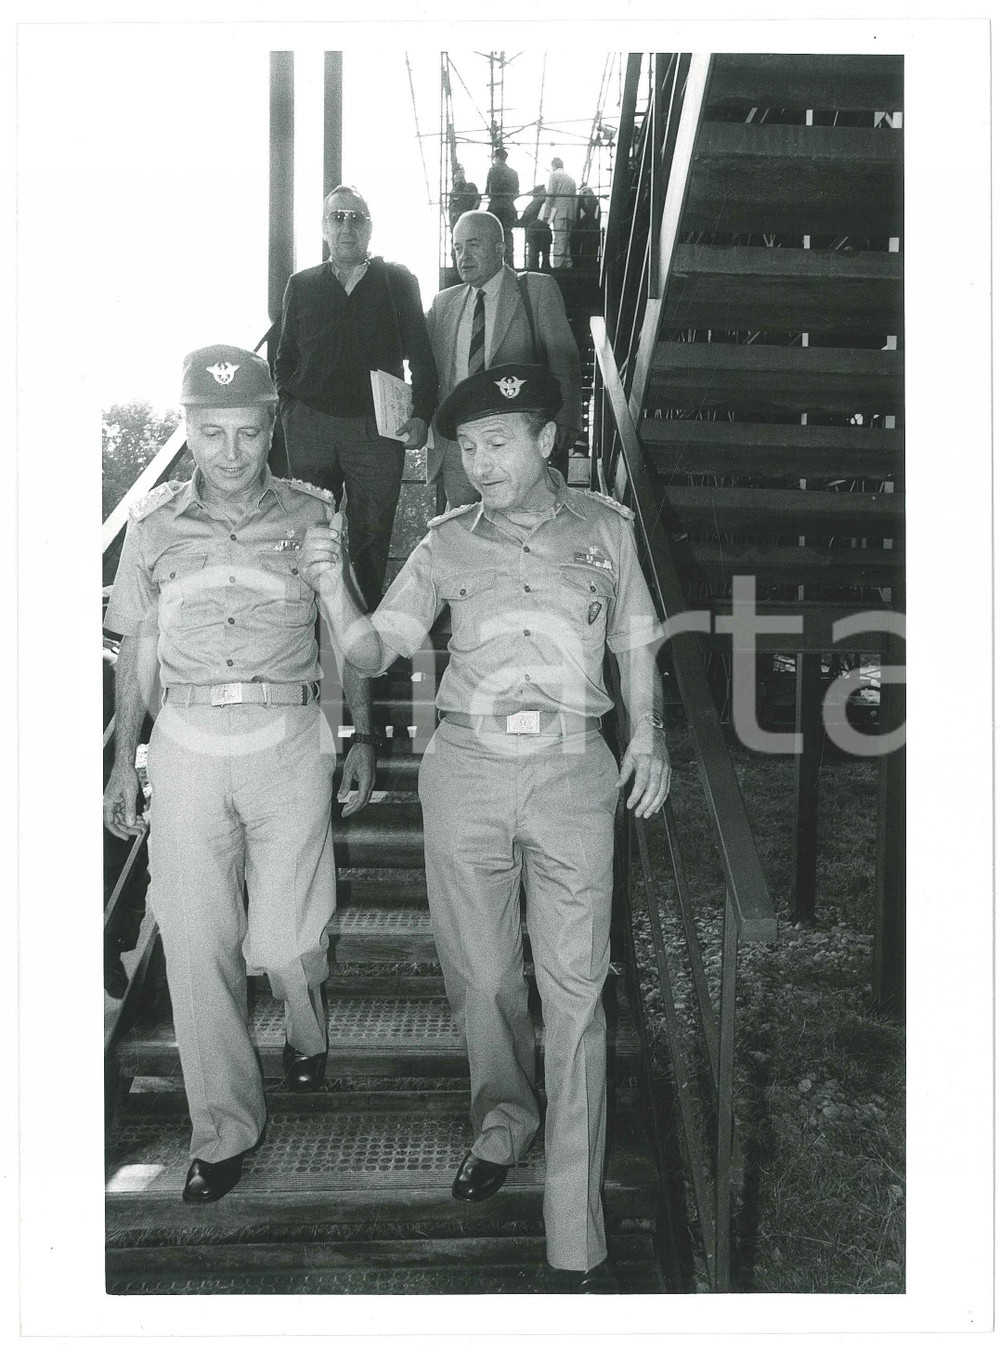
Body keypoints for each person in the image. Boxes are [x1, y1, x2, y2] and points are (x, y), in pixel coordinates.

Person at [302, 363, 671, 1289]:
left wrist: (651, 738)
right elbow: (376, 646)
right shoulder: (441, 544)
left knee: (578, 993)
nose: (479, 462)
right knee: (481, 978)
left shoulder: (607, 531)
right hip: (463, 768)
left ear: (546, 441)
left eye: (497, 442)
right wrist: (330, 585)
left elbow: (635, 643)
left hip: (572, 769)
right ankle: (503, 1122)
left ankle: (573, 1230)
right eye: (466, 448)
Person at [103, 345, 377, 1204]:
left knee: (288, 943)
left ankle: (304, 1024)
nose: (229, 452)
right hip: (185, 739)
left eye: (247, 433)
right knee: (193, 941)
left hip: (288, 736)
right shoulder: (150, 526)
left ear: (272, 430)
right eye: (210, 432)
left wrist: (360, 734)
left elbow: (348, 635)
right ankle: (222, 1131)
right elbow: (137, 650)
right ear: (186, 430)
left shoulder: (313, 516)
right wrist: (124, 759)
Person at [275, 185, 438, 610]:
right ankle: (307, 637)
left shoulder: (398, 281)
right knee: (308, 533)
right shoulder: (302, 284)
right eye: (337, 217)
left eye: (356, 217)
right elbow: (284, 356)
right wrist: (292, 410)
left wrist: (421, 415)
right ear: (324, 228)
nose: (347, 225)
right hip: (311, 427)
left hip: (376, 432)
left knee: (371, 535)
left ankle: (358, 648)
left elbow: (421, 353)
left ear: (370, 227)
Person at [425, 211, 580, 510]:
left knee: (523, 533)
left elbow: (565, 360)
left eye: (473, 245)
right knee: (465, 538)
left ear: (500, 247)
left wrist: (565, 421)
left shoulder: (536, 290)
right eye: (457, 247)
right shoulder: (443, 303)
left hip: (521, 447)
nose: (463, 256)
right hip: (461, 450)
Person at [540, 157, 578, 271]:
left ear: (554, 165)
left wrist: (545, 214)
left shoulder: (554, 175)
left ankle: (558, 266)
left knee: (559, 238)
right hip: (570, 212)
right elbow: (575, 199)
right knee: (565, 239)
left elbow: (550, 194)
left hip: (559, 212)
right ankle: (567, 263)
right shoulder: (571, 179)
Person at [485, 146, 520, 266]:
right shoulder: (513, 173)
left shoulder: (492, 170)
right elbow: (516, 192)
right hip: (509, 207)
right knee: (508, 233)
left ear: (497, 158)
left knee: (494, 234)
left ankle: (494, 263)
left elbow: (488, 191)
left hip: (495, 207)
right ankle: (509, 261)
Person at [518, 185, 552, 272]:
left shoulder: (532, 205)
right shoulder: (541, 204)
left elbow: (524, 220)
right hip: (541, 231)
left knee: (533, 259)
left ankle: (533, 269)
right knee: (544, 257)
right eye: (543, 192)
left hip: (533, 232)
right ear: (538, 194)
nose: (546, 194)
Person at [570, 185, 602, 269]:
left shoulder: (583, 201)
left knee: (584, 248)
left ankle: (581, 264)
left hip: (586, 230)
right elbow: (596, 216)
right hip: (593, 230)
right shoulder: (596, 202)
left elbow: (584, 215)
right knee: (591, 249)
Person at [448, 163, 481, 228]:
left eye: (462, 171)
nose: (461, 174)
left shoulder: (470, 186)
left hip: (467, 218)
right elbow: (451, 209)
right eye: (458, 172)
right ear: (454, 175)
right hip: (456, 220)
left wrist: (471, 213)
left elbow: (478, 200)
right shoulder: (453, 192)